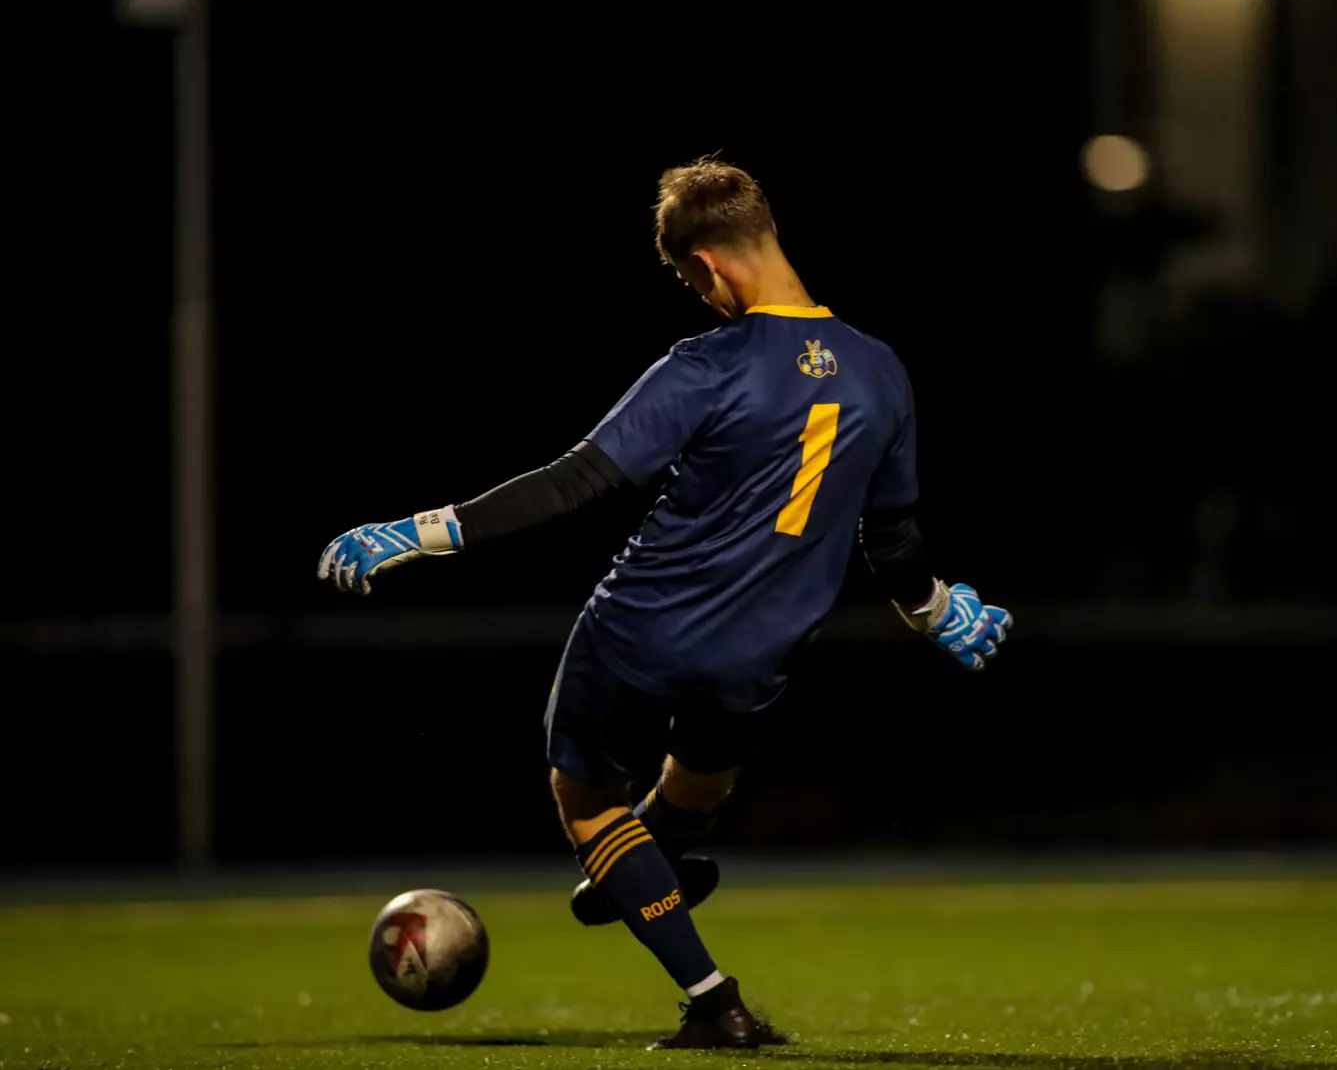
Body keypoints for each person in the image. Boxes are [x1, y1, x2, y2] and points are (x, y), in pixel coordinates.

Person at [317, 157, 1011, 1048]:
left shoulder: (706, 365)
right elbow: (894, 544)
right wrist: (933, 611)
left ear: (706, 264)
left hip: (639, 627)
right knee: (697, 783)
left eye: (691, 281)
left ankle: (713, 999)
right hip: (758, 654)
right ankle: (644, 868)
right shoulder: (881, 371)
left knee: (585, 798)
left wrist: (421, 531)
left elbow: (574, 481)